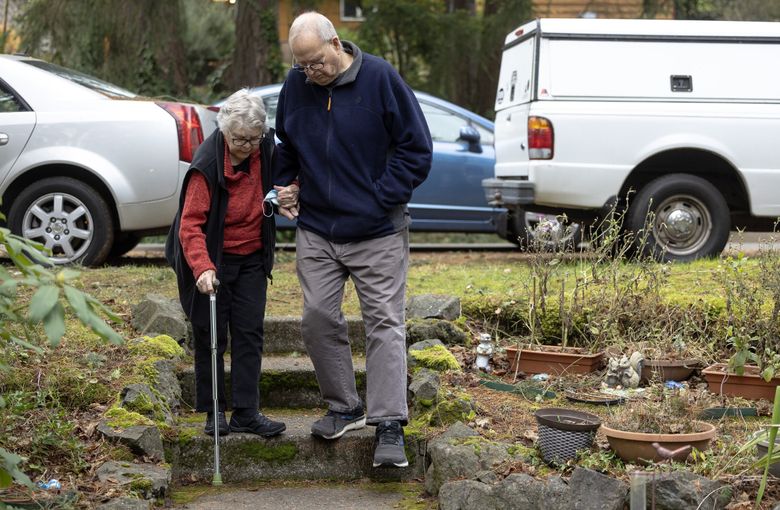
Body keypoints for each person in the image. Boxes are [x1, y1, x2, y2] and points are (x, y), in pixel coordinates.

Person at [273, 12, 432, 468]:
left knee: (384, 322)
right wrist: (285, 184)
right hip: (318, 228)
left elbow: (416, 149)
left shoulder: (380, 78)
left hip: (378, 229)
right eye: (301, 66)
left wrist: (381, 197)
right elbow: (286, 143)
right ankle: (344, 405)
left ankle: (388, 424)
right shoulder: (296, 86)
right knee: (317, 317)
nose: (310, 73)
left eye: (316, 63)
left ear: (336, 43)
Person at [165, 89, 285, 438]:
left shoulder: (265, 147)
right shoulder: (207, 165)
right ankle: (214, 411)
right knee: (211, 333)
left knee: (250, 333)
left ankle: (247, 411)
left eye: (253, 138)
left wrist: (286, 192)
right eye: (239, 139)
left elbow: (282, 182)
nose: (247, 146)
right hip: (211, 257)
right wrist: (202, 268)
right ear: (224, 131)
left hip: (251, 257)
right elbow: (190, 224)